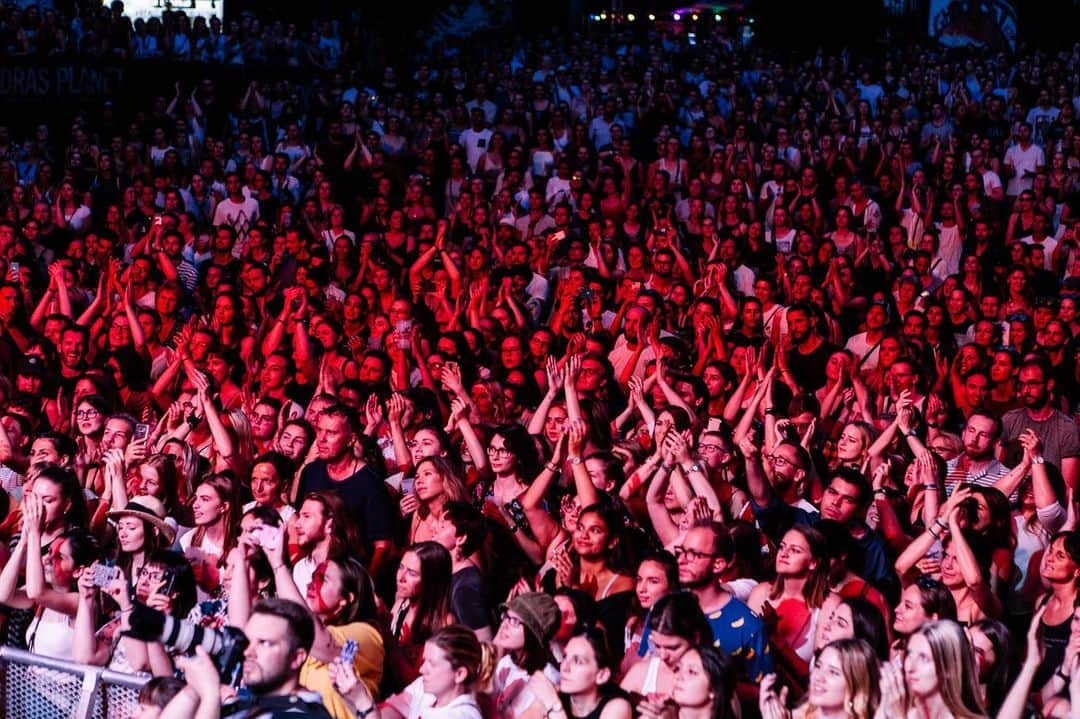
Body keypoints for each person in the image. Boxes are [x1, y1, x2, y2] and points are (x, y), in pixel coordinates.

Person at [158, 598, 333, 719]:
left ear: (297, 657)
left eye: (264, 643)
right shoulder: (248, 705)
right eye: (247, 642)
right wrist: (195, 688)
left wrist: (211, 694)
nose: (249, 652)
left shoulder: (303, 714)